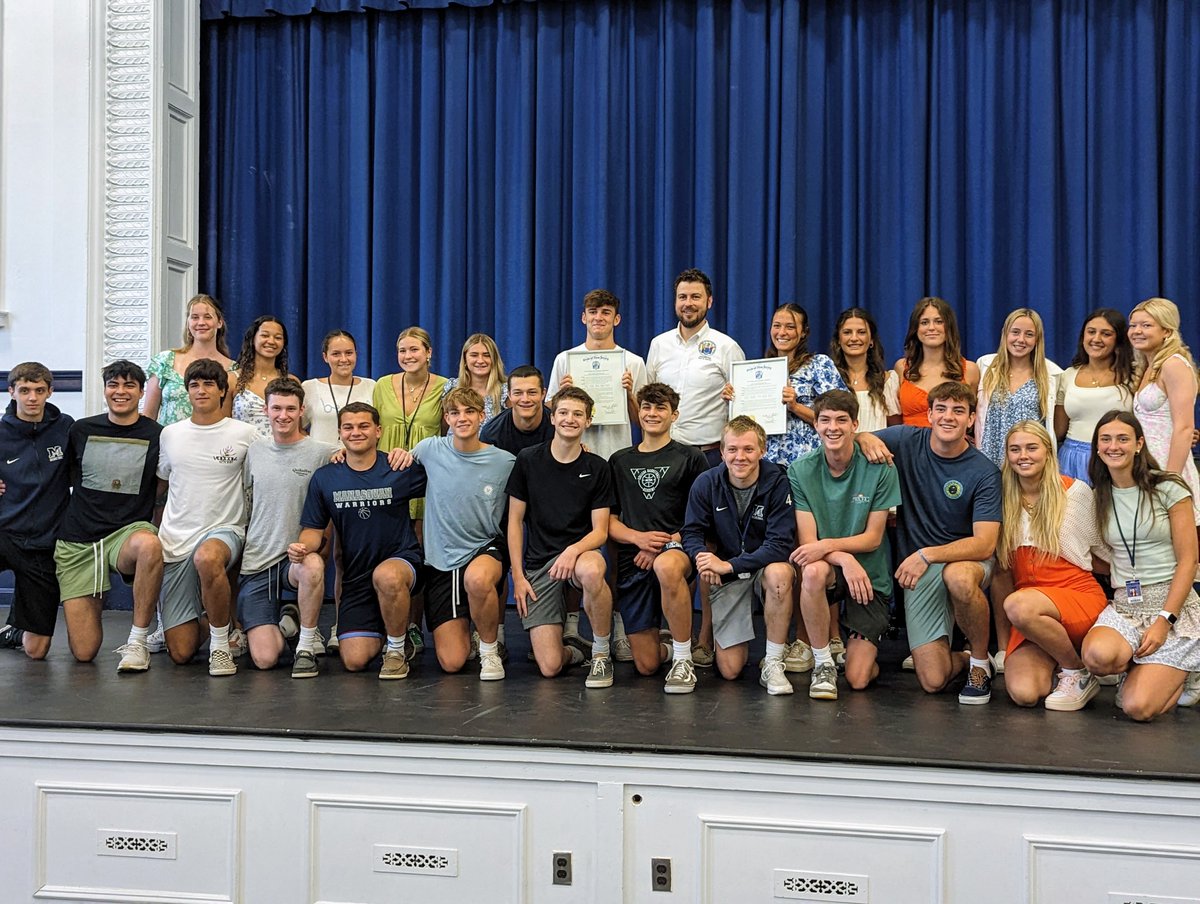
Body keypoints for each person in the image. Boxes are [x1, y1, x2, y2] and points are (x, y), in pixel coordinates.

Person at [857, 381, 1001, 703]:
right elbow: (851, 441)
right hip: (921, 570)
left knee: (958, 578)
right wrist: (864, 437)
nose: (949, 417)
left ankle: (978, 661)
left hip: (966, 560)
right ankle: (963, 659)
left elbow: (985, 544)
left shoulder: (984, 472)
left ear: (971, 419)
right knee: (933, 681)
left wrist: (927, 554)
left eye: (958, 411)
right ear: (930, 415)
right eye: (941, 409)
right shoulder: (906, 439)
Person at [647, 268, 746, 667]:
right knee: (663, 545)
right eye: (682, 297)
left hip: (708, 457)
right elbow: (650, 402)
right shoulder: (658, 346)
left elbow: (741, 408)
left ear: (709, 302)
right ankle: (672, 629)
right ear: (675, 302)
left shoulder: (726, 347)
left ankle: (706, 636)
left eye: (695, 297)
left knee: (708, 547)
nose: (688, 303)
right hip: (666, 457)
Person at [291, 402, 428, 679]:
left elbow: (446, 477)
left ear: (378, 431)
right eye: (349, 427)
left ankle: (396, 651)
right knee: (354, 660)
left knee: (387, 576)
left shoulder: (399, 468)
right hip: (357, 580)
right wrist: (302, 547)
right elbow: (312, 530)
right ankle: (388, 629)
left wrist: (410, 455)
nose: (356, 432)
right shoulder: (326, 478)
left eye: (364, 426)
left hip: (400, 565)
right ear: (340, 433)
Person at [1082, 410, 1200, 721]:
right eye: (1105, 439)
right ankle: (1140, 668)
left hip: (1173, 607)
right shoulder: (1099, 495)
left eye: (1123, 439)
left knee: (1136, 707)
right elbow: (1099, 552)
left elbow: (1189, 560)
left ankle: (1188, 671)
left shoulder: (1169, 487)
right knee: (1096, 657)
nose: (1113, 446)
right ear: (1097, 447)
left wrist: (1164, 620)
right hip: (1127, 606)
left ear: (1139, 444)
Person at [789, 391, 900, 700]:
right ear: (815, 425)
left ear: (855, 425)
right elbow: (808, 545)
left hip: (869, 578)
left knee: (858, 678)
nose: (832, 427)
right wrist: (844, 559)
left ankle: (857, 652)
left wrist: (834, 550)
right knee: (811, 571)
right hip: (834, 570)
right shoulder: (800, 470)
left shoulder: (881, 467)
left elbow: (873, 538)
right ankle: (823, 664)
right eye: (824, 420)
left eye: (841, 420)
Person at [53, 361, 163, 671]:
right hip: (79, 542)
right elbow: (61, 479)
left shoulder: (157, 435)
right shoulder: (81, 430)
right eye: (113, 385)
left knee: (150, 545)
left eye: (129, 385)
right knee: (85, 652)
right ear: (104, 391)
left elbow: (164, 487)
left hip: (126, 535)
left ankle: (138, 641)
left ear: (142, 392)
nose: (120, 391)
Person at [506, 386, 616, 687]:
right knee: (550, 667)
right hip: (539, 562)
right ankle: (576, 652)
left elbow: (600, 532)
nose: (570, 419)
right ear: (552, 418)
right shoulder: (528, 460)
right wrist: (518, 575)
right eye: (563, 413)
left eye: (578, 414)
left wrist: (571, 551)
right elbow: (515, 522)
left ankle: (602, 654)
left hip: (581, 554)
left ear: (588, 421)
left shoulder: (598, 467)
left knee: (592, 570)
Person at [156, 359, 260, 676]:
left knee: (207, 558)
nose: (201, 391)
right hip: (175, 541)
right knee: (181, 652)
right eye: (194, 385)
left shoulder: (246, 433)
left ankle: (220, 645)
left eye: (209, 384)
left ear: (222, 391)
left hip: (225, 531)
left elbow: (264, 478)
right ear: (187, 392)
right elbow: (160, 485)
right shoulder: (170, 435)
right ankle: (220, 616)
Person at [996, 421, 1109, 710]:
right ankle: (1064, 660)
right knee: (1025, 693)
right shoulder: (1001, 499)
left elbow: (1102, 554)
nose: (1024, 455)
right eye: (1015, 449)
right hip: (1030, 615)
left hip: (1076, 596)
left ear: (1048, 451)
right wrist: (1002, 644)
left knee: (1018, 605)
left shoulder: (1075, 492)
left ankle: (1077, 671)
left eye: (1032, 447)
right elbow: (1002, 574)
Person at [681, 416, 796, 694]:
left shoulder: (778, 482)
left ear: (762, 450)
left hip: (760, 568)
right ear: (721, 452)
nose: (739, 457)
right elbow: (691, 532)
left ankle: (773, 661)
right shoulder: (706, 482)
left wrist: (727, 565)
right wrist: (703, 559)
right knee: (730, 670)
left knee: (780, 573)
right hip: (728, 574)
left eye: (748, 449)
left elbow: (780, 545)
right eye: (732, 449)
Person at [407, 387, 516, 680]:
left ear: (482, 416)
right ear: (446, 418)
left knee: (478, 579)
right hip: (442, 560)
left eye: (470, 411)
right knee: (452, 662)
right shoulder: (430, 449)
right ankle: (468, 631)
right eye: (455, 412)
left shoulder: (505, 462)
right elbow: (398, 462)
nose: (462, 418)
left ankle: (490, 651)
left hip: (485, 548)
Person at [608, 383, 710, 692]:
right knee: (647, 665)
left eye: (660, 408)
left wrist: (663, 545)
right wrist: (639, 539)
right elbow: (609, 521)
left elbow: (701, 518)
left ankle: (682, 660)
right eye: (647, 408)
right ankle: (668, 646)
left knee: (666, 566)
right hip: (634, 559)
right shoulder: (619, 460)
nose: (652, 414)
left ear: (674, 414)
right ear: (638, 413)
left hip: (677, 549)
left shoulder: (690, 458)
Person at [237, 379, 335, 678]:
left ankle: (305, 645)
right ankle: (286, 621)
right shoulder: (254, 451)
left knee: (313, 565)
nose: (283, 415)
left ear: (302, 410)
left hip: (295, 559)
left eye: (290, 408)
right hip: (257, 563)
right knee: (265, 659)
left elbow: (356, 461)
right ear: (266, 410)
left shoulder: (323, 453)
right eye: (276, 408)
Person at [373, 326, 448, 653]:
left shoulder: (446, 387)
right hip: (386, 479)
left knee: (418, 554)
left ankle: (414, 626)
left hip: (425, 480)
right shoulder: (382, 386)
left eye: (415, 350)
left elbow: (448, 437)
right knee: (383, 550)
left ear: (428, 353)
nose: (408, 356)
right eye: (402, 350)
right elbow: (373, 431)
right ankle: (386, 626)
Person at [0, 362, 73, 659]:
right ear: (12, 392)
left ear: (50, 392)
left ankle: (15, 631)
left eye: (39, 391)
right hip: (4, 533)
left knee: (37, 650)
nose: (32, 397)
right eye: (25, 390)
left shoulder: (66, 427)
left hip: (44, 543)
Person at [548, 289, 649, 461]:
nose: (598, 318)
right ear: (583, 317)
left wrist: (629, 395)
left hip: (617, 453)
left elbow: (642, 421)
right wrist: (563, 395)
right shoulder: (565, 359)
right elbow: (550, 407)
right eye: (593, 312)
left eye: (606, 312)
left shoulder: (634, 362)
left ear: (616, 319)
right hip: (574, 453)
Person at [1128, 298, 1200, 531]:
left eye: (1146, 325)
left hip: (1168, 469)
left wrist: (1170, 482)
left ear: (1167, 331)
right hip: (1144, 468)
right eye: (1133, 325)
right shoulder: (1147, 365)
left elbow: (1184, 428)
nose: (1137, 331)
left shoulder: (1174, 365)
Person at [752, 302, 846, 466]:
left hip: (807, 461)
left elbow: (841, 413)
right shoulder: (759, 370)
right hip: (767, 462)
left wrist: (795, 407)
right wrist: (733, 399)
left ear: (803, 332)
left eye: (790, 327)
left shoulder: (819, 364)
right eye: (777, 326)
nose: (782, 332)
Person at [1054, 308, 1135, 484]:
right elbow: (1058, 430)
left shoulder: (1133, 376)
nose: (1096, 339)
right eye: (1091, 332)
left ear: (1118, 340)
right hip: (1071, 460)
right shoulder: (1067, 375)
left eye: (1106, 334)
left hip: (1116, 457)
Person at [976, 308, 1062, 468]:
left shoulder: (1053, 374)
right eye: (1015, 332)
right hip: (989, 459)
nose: (1021, 339)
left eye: (1029, 334)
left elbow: (1056, 425)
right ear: (1005, 334)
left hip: (1028, 461)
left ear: (1037, 339)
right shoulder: (985, 366)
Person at [143, 293, 236, 425]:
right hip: (168, 443)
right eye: (195, 317)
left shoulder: (234, 370)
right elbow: (148, 417)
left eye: (208, 317)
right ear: (188, 323)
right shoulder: (165, 361)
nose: (201, 322)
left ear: (219, 322)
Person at [894, 297, 979, 427]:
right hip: (908, 445)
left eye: (939, 322)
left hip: (952, 446)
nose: (931, 328)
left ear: (949, 327)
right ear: (915, 328)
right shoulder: (902, 367)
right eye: (924, 322)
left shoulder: (970, 370)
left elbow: (973, 421)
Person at [830, 307, 901, 432]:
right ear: (838, 340)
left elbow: (896, 430)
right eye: (847, 332)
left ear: (871, 340)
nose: (854, 338)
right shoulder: (828, 380)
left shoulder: (887, 381)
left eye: (861, 332)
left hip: (878, 451)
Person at [301, 329, 377, 445]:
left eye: (349, 353)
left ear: (356, 354)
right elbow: (295, 429)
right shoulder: (309, 387)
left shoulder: (371, 386)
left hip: (360, 460)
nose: (343, 359)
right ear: (325, 357)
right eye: (336, 354)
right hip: (321, 461)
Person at [231, 316, 298, 437]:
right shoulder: (233, 379)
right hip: (243, 453)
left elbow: (297, 429)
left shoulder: (291, 381)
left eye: (278, 337)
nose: (271, 341)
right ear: (253, 339)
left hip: (282, 453)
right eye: (265, 335)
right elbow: (223, 424)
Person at [479, 365, 554, 455]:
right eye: (518, 393)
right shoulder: (491, 434)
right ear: (509, 395)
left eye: (532, 392)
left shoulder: (559, 429)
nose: (525, 399)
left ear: (543, 394)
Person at [442, 333, 508, 426]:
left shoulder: (505, 391)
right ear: (465, 360)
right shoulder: (452, 387)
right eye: (474, 355)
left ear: (494, 360)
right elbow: (444, 427)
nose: (480, 360)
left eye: (486, 355)